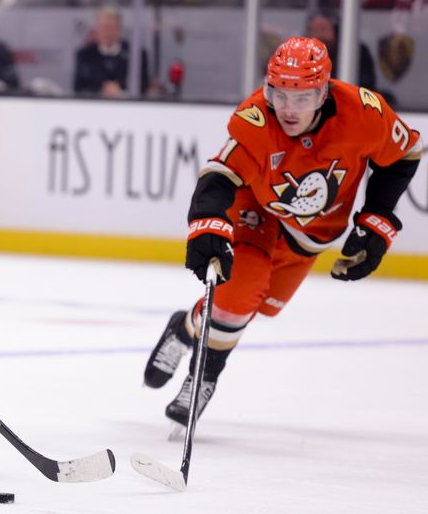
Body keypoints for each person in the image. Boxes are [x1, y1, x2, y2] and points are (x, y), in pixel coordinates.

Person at [142, 37, 423, 429]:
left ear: (323, 92)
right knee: (240, 291)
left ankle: (185, 325)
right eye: (279, 94)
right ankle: (203, 377)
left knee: (259, 307)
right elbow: (221, 175)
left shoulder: (363, 112)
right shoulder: (258, 116)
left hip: (311, 234)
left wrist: (376, 218)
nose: (287, 109)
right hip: (255, 208)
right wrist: (207, 222)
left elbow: (404, 155)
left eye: (302, 98)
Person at [73, 6, 149, 98]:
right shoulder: (85, 54)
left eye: (110, 27)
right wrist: (101, 90)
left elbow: (143, 85)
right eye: (103, 27)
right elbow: (78, 88)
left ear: (119, 29)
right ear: (96, 30)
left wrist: (120, 90)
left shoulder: (136, 54)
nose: (106, 33)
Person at [306, 9, 377, 93]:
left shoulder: (355, 52)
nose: (319, 35)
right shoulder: (303, 55)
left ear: (336, 31)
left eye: (324, 29)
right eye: (314, 30)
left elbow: (366, 86)